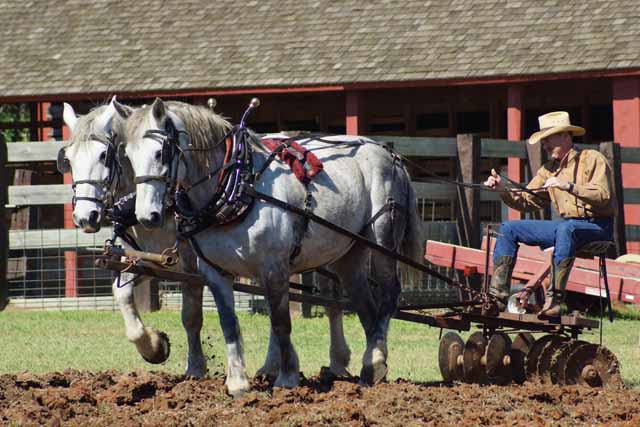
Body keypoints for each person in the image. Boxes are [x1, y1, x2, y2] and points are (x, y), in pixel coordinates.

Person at [483, 111, 616, 317]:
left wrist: (568, 186)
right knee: (509, 228)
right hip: (568, 228)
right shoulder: (548, 170)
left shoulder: (593, 159)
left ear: (565, 136)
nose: (544, 145)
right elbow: (527, 200)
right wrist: (502, 188)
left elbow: (603, 195)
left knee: (566, 228)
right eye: (543, 140)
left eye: (548, 139)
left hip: (598, 227)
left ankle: (554, 301)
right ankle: (497, 298)